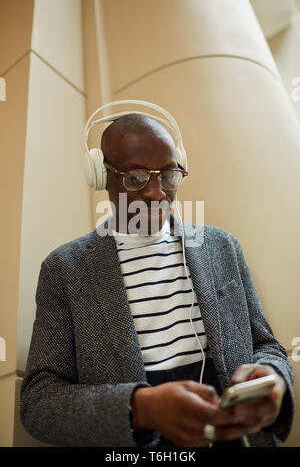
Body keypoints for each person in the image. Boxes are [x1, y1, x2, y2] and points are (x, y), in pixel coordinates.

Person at [20, 113, 294, 448]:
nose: (156, 193)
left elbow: (267, 346)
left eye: (168, 175)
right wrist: (140, 407)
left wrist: (273, 376)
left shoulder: (221, 247)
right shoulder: (64, 269)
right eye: (135, 177)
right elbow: (39, 402)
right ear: (101, 175)